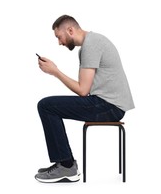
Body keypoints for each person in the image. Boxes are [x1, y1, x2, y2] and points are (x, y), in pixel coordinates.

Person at [35, 15, 134, 183]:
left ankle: (66, 166)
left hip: (110, 106)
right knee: (47, 105)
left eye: (59, 37)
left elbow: (82, 90)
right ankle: (64, 163)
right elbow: (85, 90)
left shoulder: (91, 45)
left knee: (46, 105)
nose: (60, 43)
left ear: (70, 30)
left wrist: (55, 72)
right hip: (107, 103)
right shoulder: (89, 44)